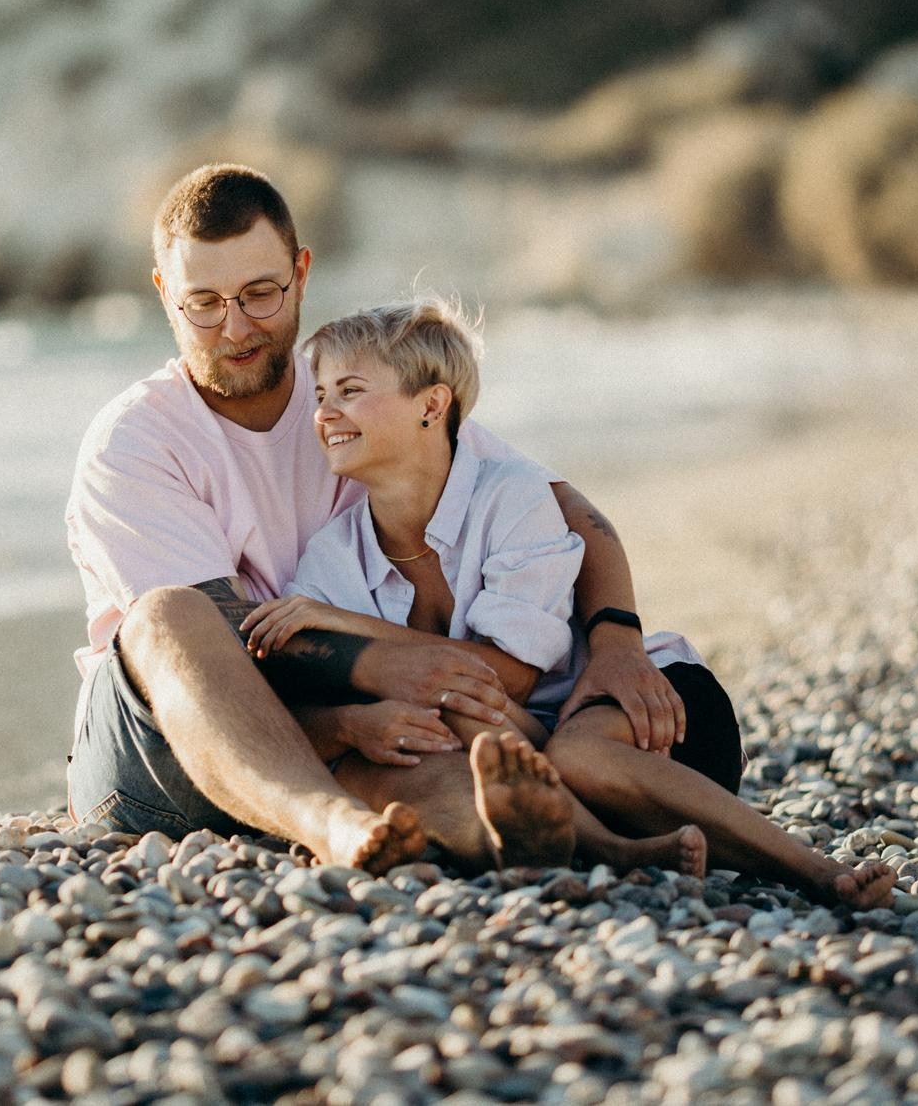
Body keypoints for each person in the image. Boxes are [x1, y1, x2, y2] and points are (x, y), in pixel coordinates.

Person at [62, 164, 778, 876]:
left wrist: (618, 640)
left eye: (259, 294)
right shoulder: (137, 441)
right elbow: (213, 645)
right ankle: (332, 826)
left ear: (301, 273)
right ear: (164, 295)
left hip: (355, 734)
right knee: (167, 615)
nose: (236, 327)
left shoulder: (357, 404)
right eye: (204, 303)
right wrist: (388, 666)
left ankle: (547, 842)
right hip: (161, 756)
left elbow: (565, 514)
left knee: (452, 771)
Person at [239, 300, 897, 904]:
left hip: (652, 721)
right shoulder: (333, 553)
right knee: (412, 740)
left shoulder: (514, 495)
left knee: (557, 746)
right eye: (321, 395)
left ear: (431, 405)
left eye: (350, 391)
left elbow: (513, 675)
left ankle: (818, 871)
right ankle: (617, 850)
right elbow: (307, 690)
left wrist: (347, 624)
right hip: (521, 755)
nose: (324, 413)